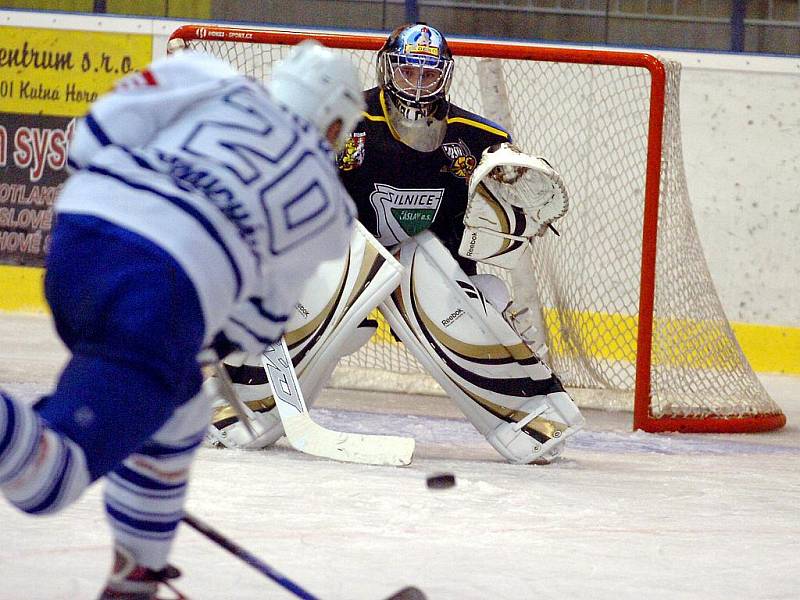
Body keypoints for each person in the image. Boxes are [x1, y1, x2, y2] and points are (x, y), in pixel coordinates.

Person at [0, 40, 364, 599]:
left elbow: (94, 133)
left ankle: (136, 573)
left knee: (182, 404)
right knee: (49, 479)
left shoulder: (211, 77)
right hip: (162, 293)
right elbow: (255, 328)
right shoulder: (330, 210)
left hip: (78, 238)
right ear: (336, 124)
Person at [215, 24, 584, 465]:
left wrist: (511, 211)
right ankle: (235, 404)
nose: (419, 83)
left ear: (444, 76)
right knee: (317, 280)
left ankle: (532, 418)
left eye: (430, 74)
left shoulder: (476, 138)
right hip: (342, 266)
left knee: (486, 296)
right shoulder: (345, 120)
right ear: (389, 69)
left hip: (424, 271)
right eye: (410, 72)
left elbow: (500, 228)